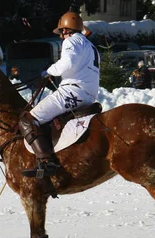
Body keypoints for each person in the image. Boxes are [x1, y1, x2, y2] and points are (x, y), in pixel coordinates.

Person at [19, 11, 100, 178]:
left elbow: (67, 63)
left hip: (73, 91)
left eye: (61, 32)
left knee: (29, 119)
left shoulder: (71, 40)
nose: (61, 36)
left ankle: (46, 162)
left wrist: (48, 71)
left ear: (65, 30)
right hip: (88, 95)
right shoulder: (90, 46)